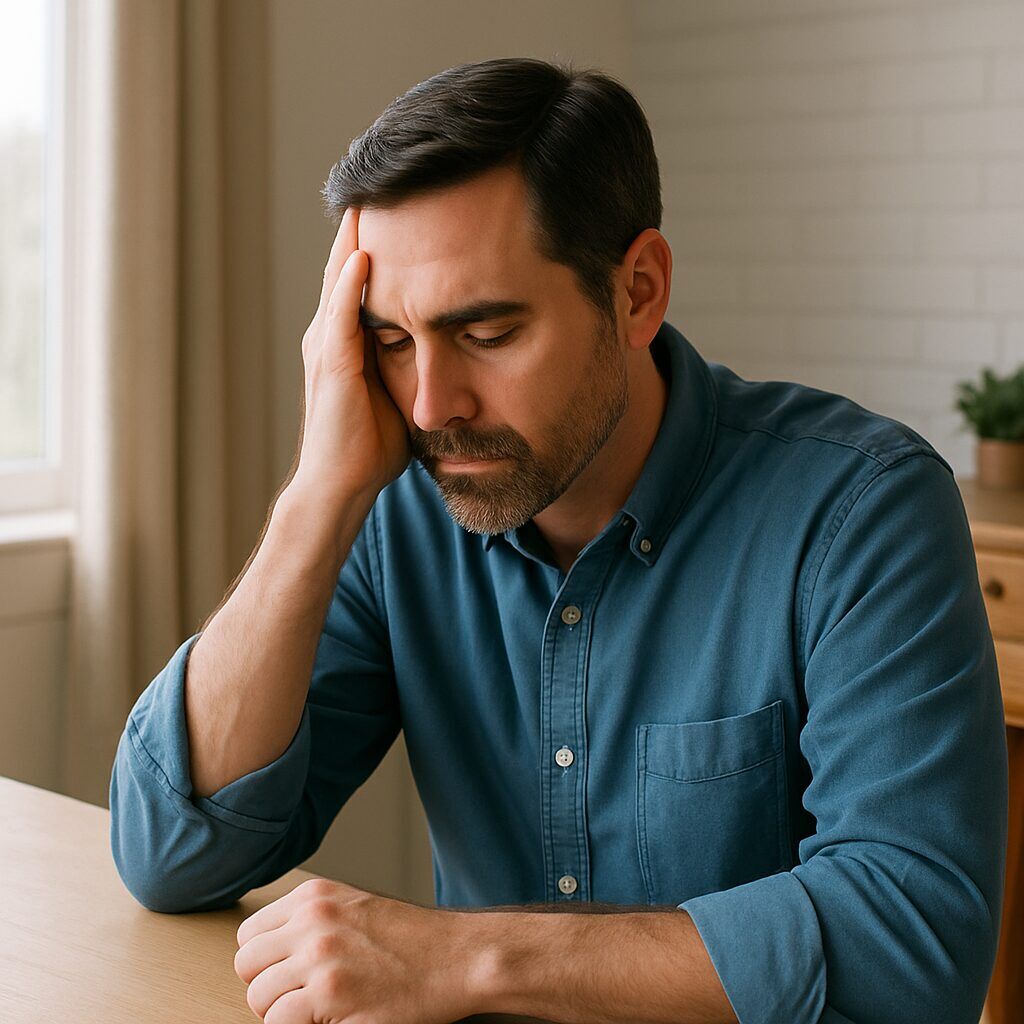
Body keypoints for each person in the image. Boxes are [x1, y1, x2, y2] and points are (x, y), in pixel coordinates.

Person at [109, 57, 1007, 1024]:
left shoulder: (863, 512)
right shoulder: (398, 510)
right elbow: (171, 854)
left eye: (487, 333)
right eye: (392, 341)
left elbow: (915, 948)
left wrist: (470, 956)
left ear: (639, 292)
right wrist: (317, 497)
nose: (429, 405)